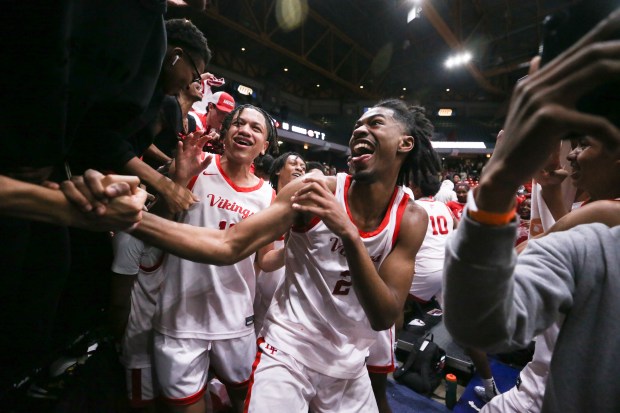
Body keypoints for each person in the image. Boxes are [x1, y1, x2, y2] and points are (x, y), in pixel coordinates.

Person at [120, 99, 440, 412]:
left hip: (348, 364)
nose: (359, 130)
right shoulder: (314, 189)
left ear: (405, 143)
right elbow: (229, 245)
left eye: (374, 123)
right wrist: (131, 218)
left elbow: (386, 315)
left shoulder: (411, 218)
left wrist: (349, 235)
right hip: (286, 351)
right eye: (357, 125)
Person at [443, 9, 620, 412]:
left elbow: (488, 307)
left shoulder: (601, 219)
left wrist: (498, 182)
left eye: (582, 141)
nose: (573, 154)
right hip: (541, 370)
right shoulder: (564, 195)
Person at [151, 104, 278, 413]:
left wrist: (303, 245)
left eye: (255, 128)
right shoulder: (196, 165)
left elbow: (268, 259)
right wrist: (177, 181)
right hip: (181, 315)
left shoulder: (268, 196)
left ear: (264, 147)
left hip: (235, 319)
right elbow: (153, 226)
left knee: (243, 402)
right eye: (238, 124)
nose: (245, 130)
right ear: (226, 132)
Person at [253, 152, 306, 334]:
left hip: (287, 292)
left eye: (303, 166)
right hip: (257, 288)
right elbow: (264, 261)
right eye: (294, 163)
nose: (300, 167)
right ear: (277, 170)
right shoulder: (265, 199)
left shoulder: (305, 209)